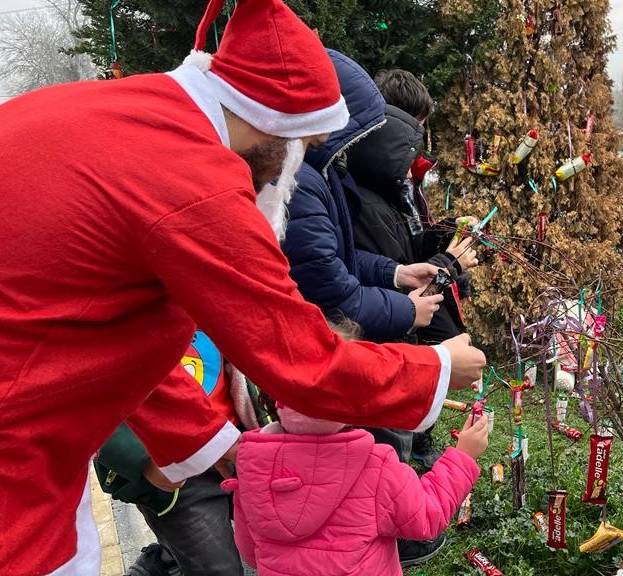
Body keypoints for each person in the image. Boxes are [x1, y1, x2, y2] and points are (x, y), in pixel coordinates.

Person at [0, 0, 486, 574]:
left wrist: (216, 446)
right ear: (282, 128)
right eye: (310, 146)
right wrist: (437, 367)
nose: (294, 171)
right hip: (5, 487)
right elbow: (296, 360)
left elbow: (109, 332)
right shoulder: (193, 178)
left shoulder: (122, 115)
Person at [223, 319, 489, 576]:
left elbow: (249, 552)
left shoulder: (252, 468)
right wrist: (463, 457)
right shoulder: (375, 466)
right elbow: (427, 516)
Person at [282, 51, 443, 342]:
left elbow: (340, 257)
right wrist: (407, 310)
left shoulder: (325, 173)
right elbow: (330, 294)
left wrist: (398, 273)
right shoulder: (301, 183)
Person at [369, 70, 477, 472]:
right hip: (402, 308)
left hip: (419, 286)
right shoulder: (375, 185)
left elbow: (408, 238)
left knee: (431, 360)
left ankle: (420, 437)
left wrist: (443, 232)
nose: (419, 136)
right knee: (418, 369)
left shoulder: (405, 176)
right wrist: (448, 263)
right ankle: (411, 448)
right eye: (415, 125)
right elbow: (387, 260)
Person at [95, 331, 257, 576]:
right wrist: (142, 460)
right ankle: (172, 554)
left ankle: (169, 555)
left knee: (276, 539)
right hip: (172, 467)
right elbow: (72, 388)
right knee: (216, 567)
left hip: (238, 441)